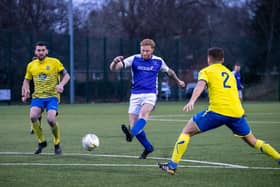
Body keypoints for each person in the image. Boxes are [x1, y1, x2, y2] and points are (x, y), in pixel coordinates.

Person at [158, 47, 280, 175]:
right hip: (236, 113)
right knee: (253, 141)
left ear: (208, 58)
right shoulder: (229, 73)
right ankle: (278, 157)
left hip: (217, 112)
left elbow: (200, 85)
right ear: (222, 60)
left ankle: (172, 166)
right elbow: (236, 94)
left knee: (187, 131)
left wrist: (192, 101)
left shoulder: (206, 71)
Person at [110, 38, 185, 159]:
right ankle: (148, 147)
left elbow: (169, 71)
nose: (144, 53)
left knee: (143, 115)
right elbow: (114, 69)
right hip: (135, 95)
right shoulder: (134, 59)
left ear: (152, 50)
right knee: (134, 125)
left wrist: (178, 80)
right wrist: (114, 62)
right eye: (143, 50)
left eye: (147, 51)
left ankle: (131, 134)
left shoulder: (158, 61)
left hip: (150, 94)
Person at [21, 41, 70, 155]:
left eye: (43, 50)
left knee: (51, 120)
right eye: (38, 50)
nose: (41, 52)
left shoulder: (54, 62)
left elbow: (67, 76)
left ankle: (57, 143)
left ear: (46, 51)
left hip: (52, 96)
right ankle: (41, 141)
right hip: (37, 97)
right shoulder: (31, 65)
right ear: (35, 51)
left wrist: (61, 85)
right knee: (33, 116)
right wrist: (25, 91)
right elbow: (26, 80)